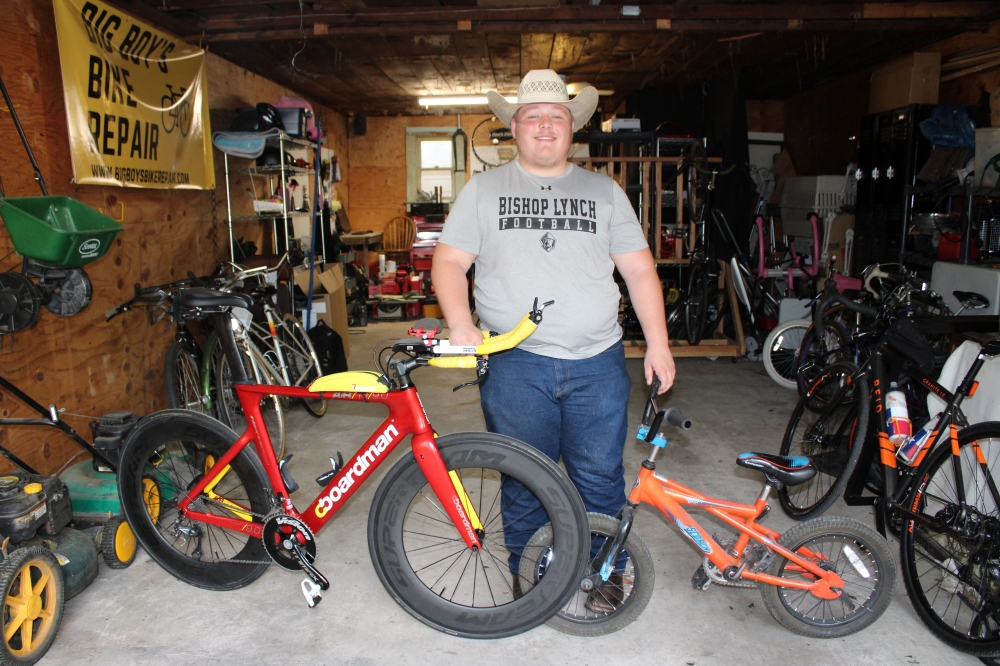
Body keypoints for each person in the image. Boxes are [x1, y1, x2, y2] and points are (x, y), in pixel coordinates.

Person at [432, 69, 675, 610]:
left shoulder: (604, 191)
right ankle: (531, 580)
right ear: (513, 128)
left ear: (573, 129)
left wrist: (657, 343)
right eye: (533, 117)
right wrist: (459, 322)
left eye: (557, 117)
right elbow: (449, 261)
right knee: (523, 480)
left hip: (598, 363)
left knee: (600, 478)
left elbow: (638, 271)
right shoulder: (484, 189)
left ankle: (603, 573)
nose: (545, 126)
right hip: (515, 363)